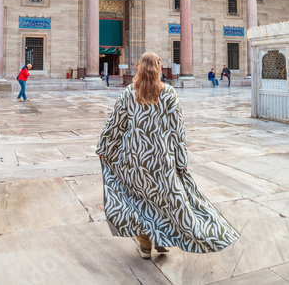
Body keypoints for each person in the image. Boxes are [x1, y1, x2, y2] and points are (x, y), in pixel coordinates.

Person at [96, 52, 240, 259]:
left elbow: (114, 126)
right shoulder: (169, 94)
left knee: (139, 200)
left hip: (133, 160)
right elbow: (177, 132)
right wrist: (181, 162)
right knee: (163, 199)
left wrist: (103, 149)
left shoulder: (129, 93)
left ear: (139, 68)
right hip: (161, 161)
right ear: (158, 68)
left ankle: (145, 243)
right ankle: (162, 239)